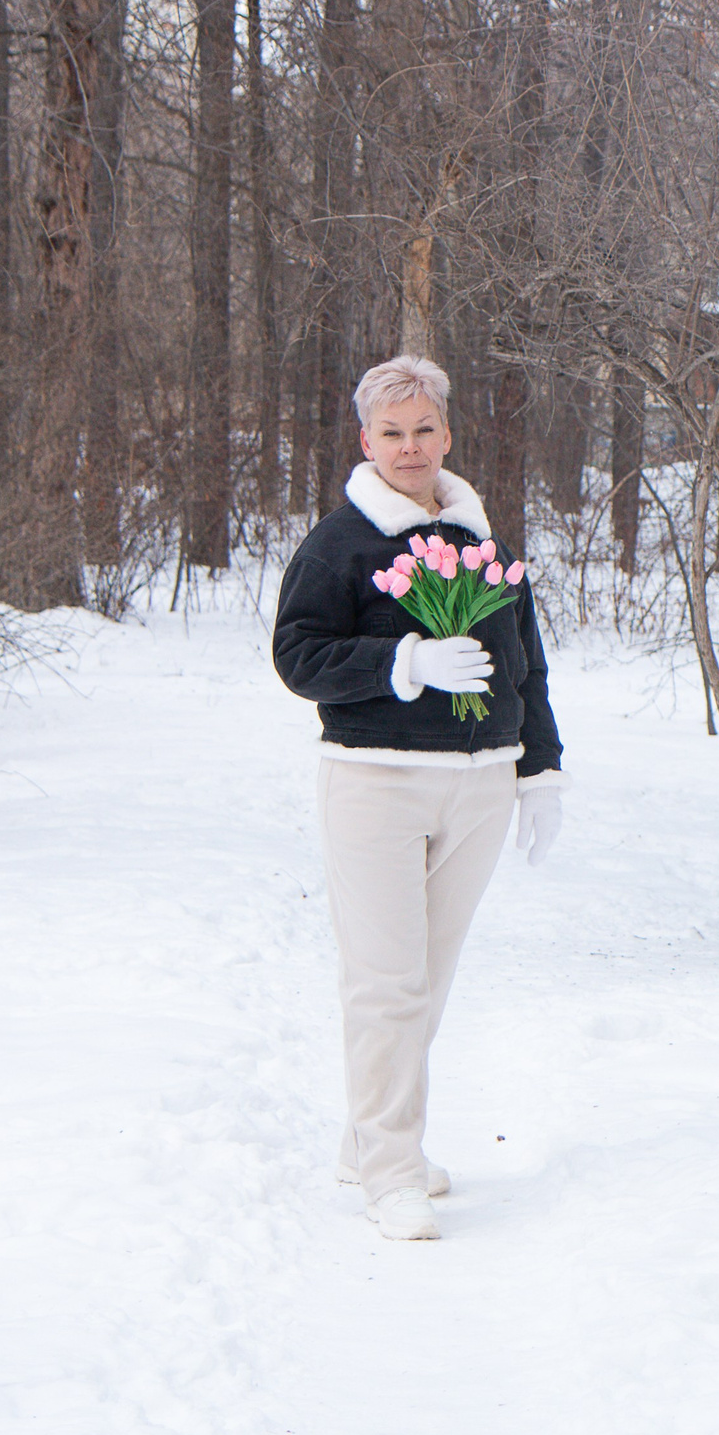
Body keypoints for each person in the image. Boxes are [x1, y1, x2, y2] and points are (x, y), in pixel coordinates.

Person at [271, 355, 566, 1241]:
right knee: (387, 983)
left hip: (477, 789)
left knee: (427, 982)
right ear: (366, 441)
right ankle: (391, 1169)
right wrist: (399, 665)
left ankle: (371, 1139)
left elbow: (528, 663)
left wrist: (539, 767)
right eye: (391, 433)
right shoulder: (342, 543)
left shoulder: (485, 543)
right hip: (379, 785)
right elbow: (297, 653)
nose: (410, 447)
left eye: (424, 430)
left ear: (446, 434)